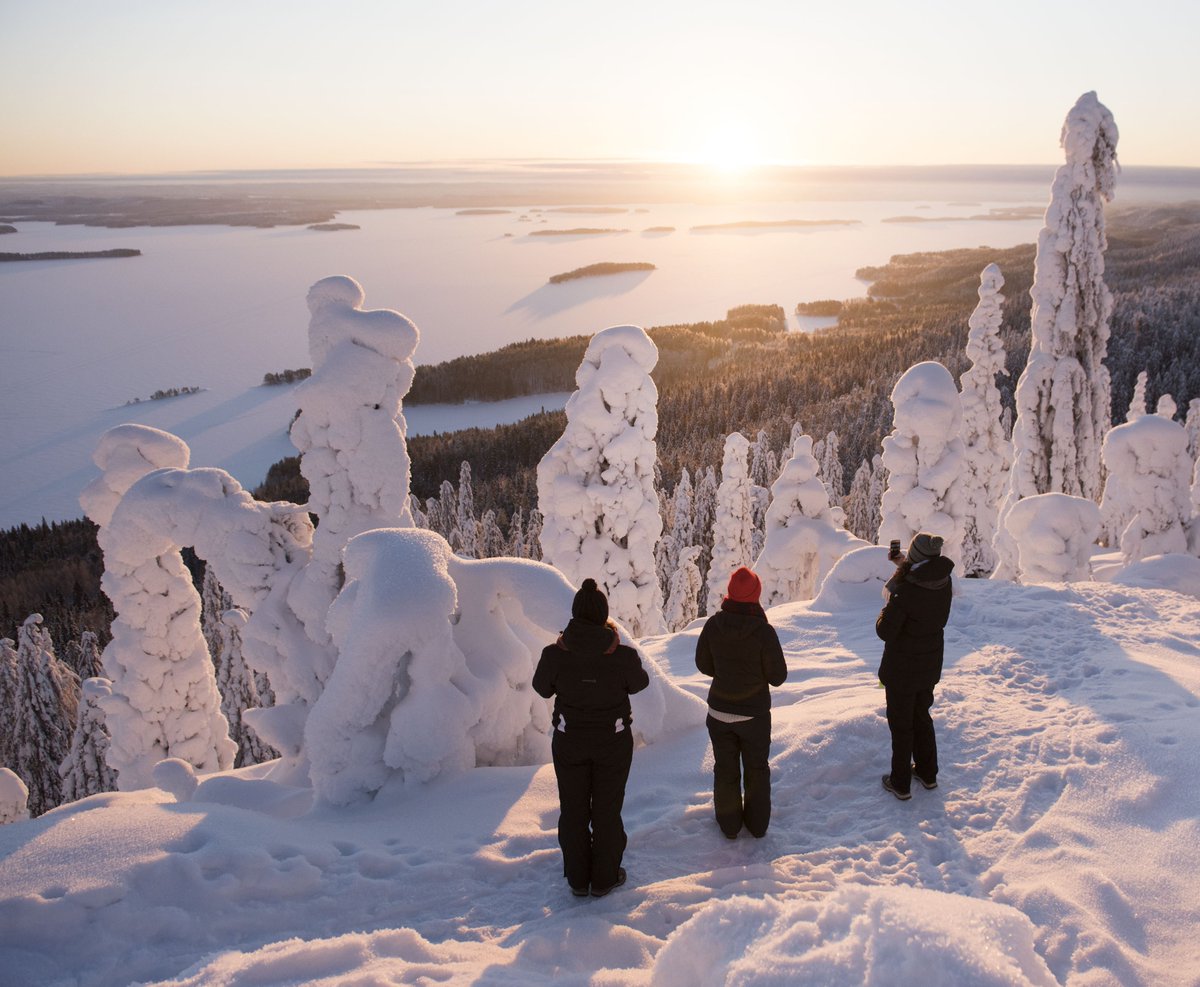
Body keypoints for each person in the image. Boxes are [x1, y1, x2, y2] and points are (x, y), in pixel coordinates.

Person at [533, 578, 649, 898]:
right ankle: (604, 878)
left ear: (574, 614)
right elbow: (640, 684)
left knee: (573, 809)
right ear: (603, 615)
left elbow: (542, 688)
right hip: (613, 741)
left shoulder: (554, 654)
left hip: (569, 741)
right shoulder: (622, 655)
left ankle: (577, 879)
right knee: (607, 810)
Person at [694, 566, 787, 839]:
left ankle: (729, 826)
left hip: (719, 712)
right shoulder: (763, 631)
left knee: (725, 769)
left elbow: (703, 664)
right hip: (753, 716)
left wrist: (726, 673)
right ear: (756, 595)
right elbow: (778, 677)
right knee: (756, 769)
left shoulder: (713, 625)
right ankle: (757, 826)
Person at [876, 532, 954, 800]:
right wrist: (904, 565)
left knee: (901, 725)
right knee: (922, 716)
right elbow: (922, 579)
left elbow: (885, 631)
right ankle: (927, 773)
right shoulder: (942, 581)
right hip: (929, 663)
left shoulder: (906, 591)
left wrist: (886, 609)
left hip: (902, 668)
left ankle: (900, 783)